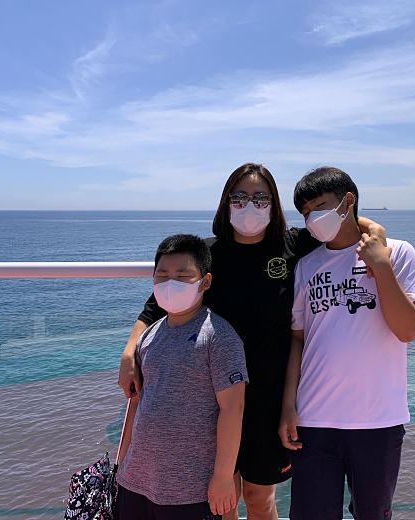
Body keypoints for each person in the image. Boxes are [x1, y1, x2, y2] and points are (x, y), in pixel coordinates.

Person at [118, 163, 385, 520]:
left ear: (274, 205)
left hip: (269, 400)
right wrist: (129, 352)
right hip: (212, 401)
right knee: (222, 501)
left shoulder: (292, 245)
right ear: (225, 202)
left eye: (261, 198)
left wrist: (375, 230)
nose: (249, 205)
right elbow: (156, 304)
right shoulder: (208, 253)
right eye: (239, 197)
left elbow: (345, 225)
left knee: (259, 499)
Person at [278, 166, 415, 520]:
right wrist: (288, 405)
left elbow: (408, 330)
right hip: (313, 419)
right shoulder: (307, 266)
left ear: (348, 201)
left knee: (373, 514)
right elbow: (298, 339)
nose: (313, 218)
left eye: (321, 206)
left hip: (378, 419)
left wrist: (380, 264)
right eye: (305, 212)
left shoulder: (398, 252)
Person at [116, 234, 248, 520]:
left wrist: (223, 477)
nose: (170, 283)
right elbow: (136, 405)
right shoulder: (149, 335)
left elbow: (233, 409)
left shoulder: (219, 337)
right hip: (135, 482)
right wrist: (121, 465)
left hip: (191, 489)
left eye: (182, 276)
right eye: (162, 276)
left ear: (205, 282)